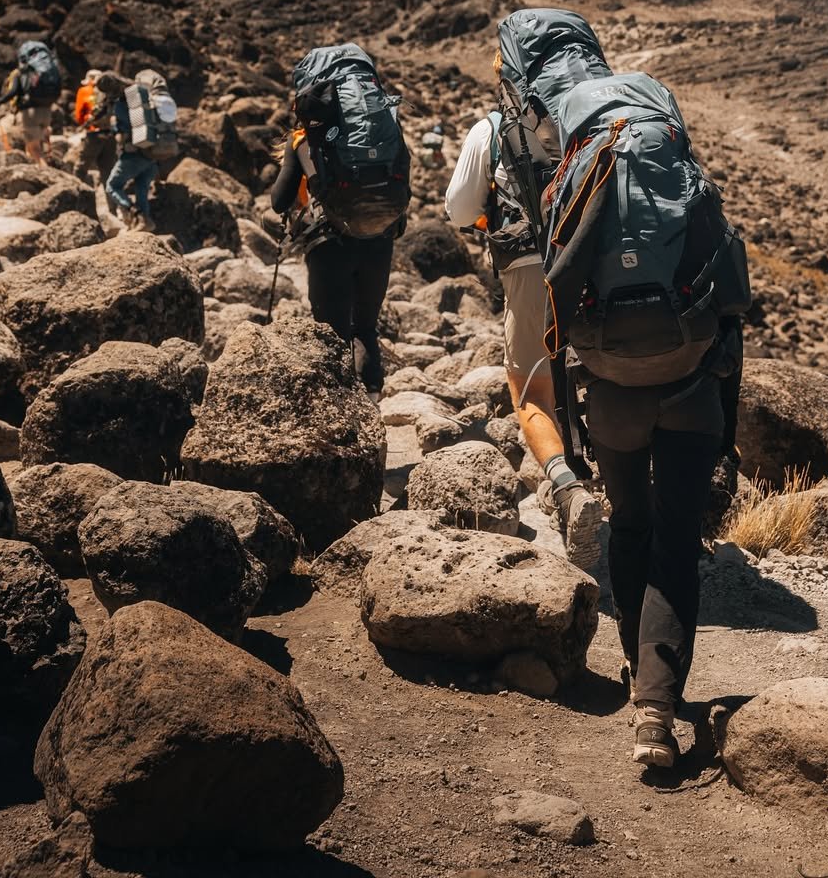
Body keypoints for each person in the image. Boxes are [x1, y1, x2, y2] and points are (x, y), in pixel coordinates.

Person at [542, 69, 750, 768]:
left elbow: (555, 299)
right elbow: (734, 304)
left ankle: (641, 676)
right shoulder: (691, 185)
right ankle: (657, 711)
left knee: (629, 527)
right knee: (675, 543)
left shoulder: (573, 183)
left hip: (610, 394)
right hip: (689, 390)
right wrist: (725, 415)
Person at [445, 103, 604, 572]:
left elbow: (459, 210)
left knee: (530, 388)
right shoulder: (594, 112)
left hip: (529, 265)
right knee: (601, 370)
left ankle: (568, 490)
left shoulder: (493, 129)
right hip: (598, 260)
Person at [269, 43, 409, 395]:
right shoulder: (385, 124)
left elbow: (278, 201)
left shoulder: (305, 138)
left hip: (327, 243)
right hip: (378, 238)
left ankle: (339, 410)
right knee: (365, 328)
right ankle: (373, 400)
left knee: (331, 334)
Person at [104, 68, 178, 231]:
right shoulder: (156, 103)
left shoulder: (123, 105)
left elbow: (121, 137)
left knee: (112, 186)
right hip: (152, 155)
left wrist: (114, 126)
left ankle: (137, 214)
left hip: (134, 156)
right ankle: (145, 223)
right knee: (141, 187)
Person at [0, 40, 61, 165]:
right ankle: (43, 167)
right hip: (47, 110)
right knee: (41, 144)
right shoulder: (46, 71)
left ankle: (46, 173)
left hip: (30, 113)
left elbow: (12, 92)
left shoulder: (22, 73)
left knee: (34, 149)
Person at [73, 68, 116, 187]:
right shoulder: (110, 93)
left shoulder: (84, 91)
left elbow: (79, 116)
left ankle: (76, 198)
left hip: (93, 134)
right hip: (110, 134)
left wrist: (84, 124)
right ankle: (112, 204)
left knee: (80, 169)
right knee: (107, 172)